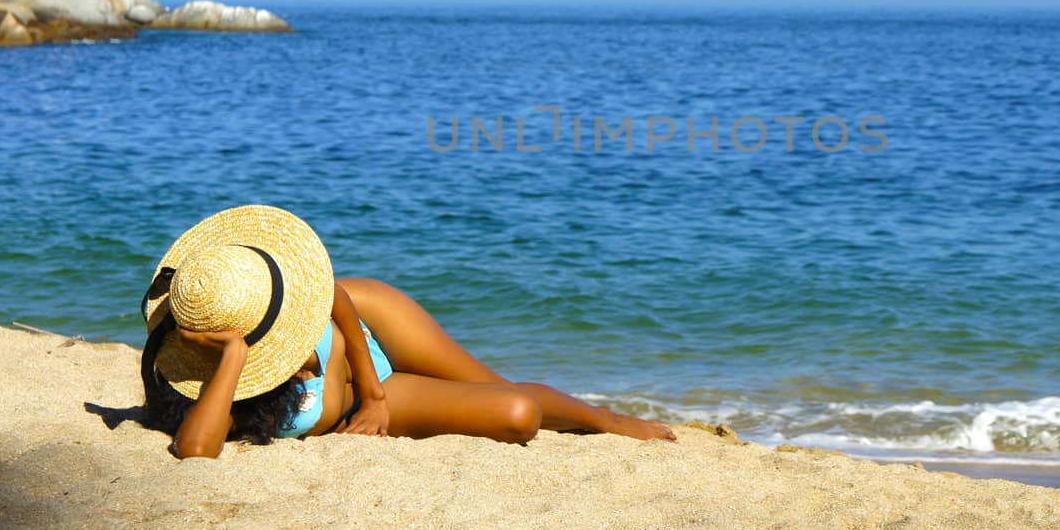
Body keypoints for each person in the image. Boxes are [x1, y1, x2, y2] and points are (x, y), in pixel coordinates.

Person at [140, 204, 675, 459]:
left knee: (496, 384)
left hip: (372, 326)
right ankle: (590, 417)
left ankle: (606, 419)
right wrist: (234, 356)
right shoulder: (218, 385)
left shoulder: (297, 296)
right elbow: (195, 454)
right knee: (518, 415)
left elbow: (333, 295)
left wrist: (374, 394)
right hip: (350, 398)